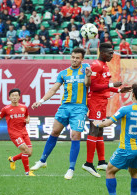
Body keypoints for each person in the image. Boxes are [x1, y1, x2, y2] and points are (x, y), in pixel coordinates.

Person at [30, 48, 92, 180]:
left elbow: (88, 84)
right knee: (54, 132)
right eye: (73, 57)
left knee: (75, 136)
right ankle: (42, 160)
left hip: (79, 108)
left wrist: (88, 75)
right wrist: (41, 101)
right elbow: (53, 89)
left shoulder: (86, 69)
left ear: (82, 59)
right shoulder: (63, 73)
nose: (75, 59)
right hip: (65, 107)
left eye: (77, 58)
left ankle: (71, 168)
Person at [93, 83, 137, 195]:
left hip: (126, 148)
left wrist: (98, 124)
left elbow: (108, 123)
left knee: (109, 171)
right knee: (134, 173)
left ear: (132, 95)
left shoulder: (125, 109)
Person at [82, 43, 131, 177]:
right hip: (95, 101)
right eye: (110, 53)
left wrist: (119, 90)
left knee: (100, 130)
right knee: (94, 129)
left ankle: (101, 161)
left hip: (102, 101)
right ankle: (88, 163)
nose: (112, 55)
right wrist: (111, 84)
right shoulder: (96, 65)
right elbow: (92, 86)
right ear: (102, 53)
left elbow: (104, 86)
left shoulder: (104, 65)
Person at [0, 88, 35, 176]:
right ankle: (27, 172)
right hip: (14, 134)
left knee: (29, 153)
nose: (14, 97)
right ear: (9, 98)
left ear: (19, 97)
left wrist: (27, 120)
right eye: (12, 96)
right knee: (25, 150)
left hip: (24, 132)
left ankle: (12, 159)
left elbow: (27, 116)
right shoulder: (6, 109)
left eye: (16, 95)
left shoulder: (24, 107)